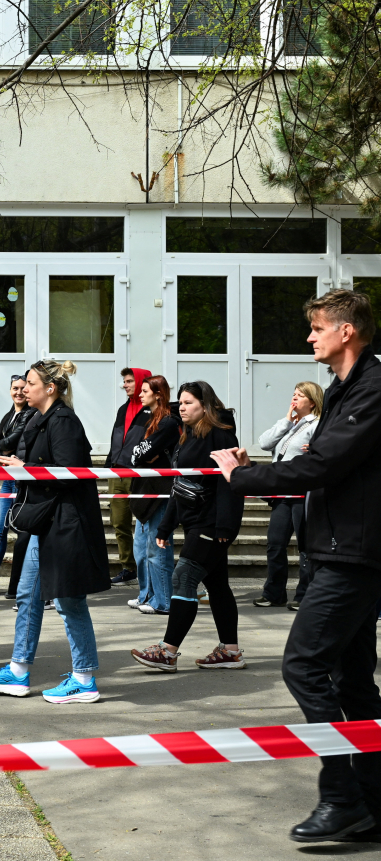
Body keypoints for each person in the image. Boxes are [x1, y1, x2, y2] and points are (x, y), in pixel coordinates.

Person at [212, 290, 381, 844]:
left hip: (352, 558)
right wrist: (253, 472)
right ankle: (372, 803)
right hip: (340, 550)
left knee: (303, 666)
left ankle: (341, 797)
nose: (310, 337)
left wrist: (242, 478)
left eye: (317, 328)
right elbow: (318, 463)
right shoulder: (343, 389)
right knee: (353, 682)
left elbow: (322, 464)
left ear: (347, 332)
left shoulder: (371, 389)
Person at [0, 360, 109, 703]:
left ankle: (83, 679)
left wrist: (26, 468)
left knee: (69, 601)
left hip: (65, 524)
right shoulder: (39, 419)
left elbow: (69, 471)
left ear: (50, 388)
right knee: (27, 596)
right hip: (44, 523)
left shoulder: (63, 420)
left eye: (31, 382)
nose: (24, 387)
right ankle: (18, 671)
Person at [131, 380, 244, 673]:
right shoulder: (188, 435)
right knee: (218, 586)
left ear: (205, 406)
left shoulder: (221, 434)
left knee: (183, 578)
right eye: (180, 403)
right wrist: (165, 528)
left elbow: (230, 483)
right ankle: (231, 651)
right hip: (194, 522)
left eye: (188, 402)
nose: (181, 407)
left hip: (212, 524)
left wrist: (225, 528)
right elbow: (180, 485)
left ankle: (167, 652)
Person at [253, 382, 322, 609]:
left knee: (305, 546)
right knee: (275, 543)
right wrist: (286, 420)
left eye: (299, 395)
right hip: (281, 494)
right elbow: (264, 443)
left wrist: (315, 449)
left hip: (302, 493)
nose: (294, 398)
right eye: (293, 394)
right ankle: (274, 593)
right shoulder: (290, 425)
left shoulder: (317, 424)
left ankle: (304, 595)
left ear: (312, 401)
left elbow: (324, 452)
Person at [126, 375, 179, 615]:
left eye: (145, 390)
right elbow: (135, 453)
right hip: (144, 492)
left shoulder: (168, 422)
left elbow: (143, 453)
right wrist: (142, 453)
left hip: (160, 493)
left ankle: (164, 601)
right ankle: (148, 594)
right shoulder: (149, 420)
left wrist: (142, 453)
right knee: (142, 549)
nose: (140, 394)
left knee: (158, 549)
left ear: (158, 394)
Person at [0, 374, 34, 596]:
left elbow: (12, 440)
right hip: (7, 478)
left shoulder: (30, 414)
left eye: (23, 388)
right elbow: (3, 438)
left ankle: (18, 583)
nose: (19, 392)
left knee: (20, 531)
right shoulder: (9, 415)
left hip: (20, 477)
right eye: (15, 388)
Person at [108, 367, 152, 585]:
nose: (124, 385)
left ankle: (148, 569)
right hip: (117, 472)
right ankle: (128, 567)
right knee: (119, 522)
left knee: (144, 524)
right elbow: (118, 437)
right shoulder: (122, 409)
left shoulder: (154, 411)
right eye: (124, 381)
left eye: (128, 381)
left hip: (140, 474)